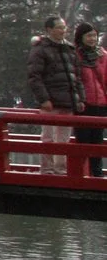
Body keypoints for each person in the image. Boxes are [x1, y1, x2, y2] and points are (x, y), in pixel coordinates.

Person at [27, 15, 84, 173]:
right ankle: (47, 170)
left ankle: (61, 170)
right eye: (59, 27)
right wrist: (43, 99)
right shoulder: (41, 49)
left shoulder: (70, 49)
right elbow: (34, 76)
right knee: (48, 138)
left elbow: (77, 77)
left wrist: (79, 98)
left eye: (64, 27)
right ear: (49, 29)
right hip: (50, 101)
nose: (63, 31)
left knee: (63, 140)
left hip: (68, 100)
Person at [81, 22, 107, 177]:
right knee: (84, 140)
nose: (92, 39)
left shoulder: (102, 55)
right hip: (84, 103)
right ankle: (83, 173)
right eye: (88, 35)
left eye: (94, 36)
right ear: (81, 37)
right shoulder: (76, 55)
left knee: (97, 139)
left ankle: (96, 173)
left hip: (101, 102)